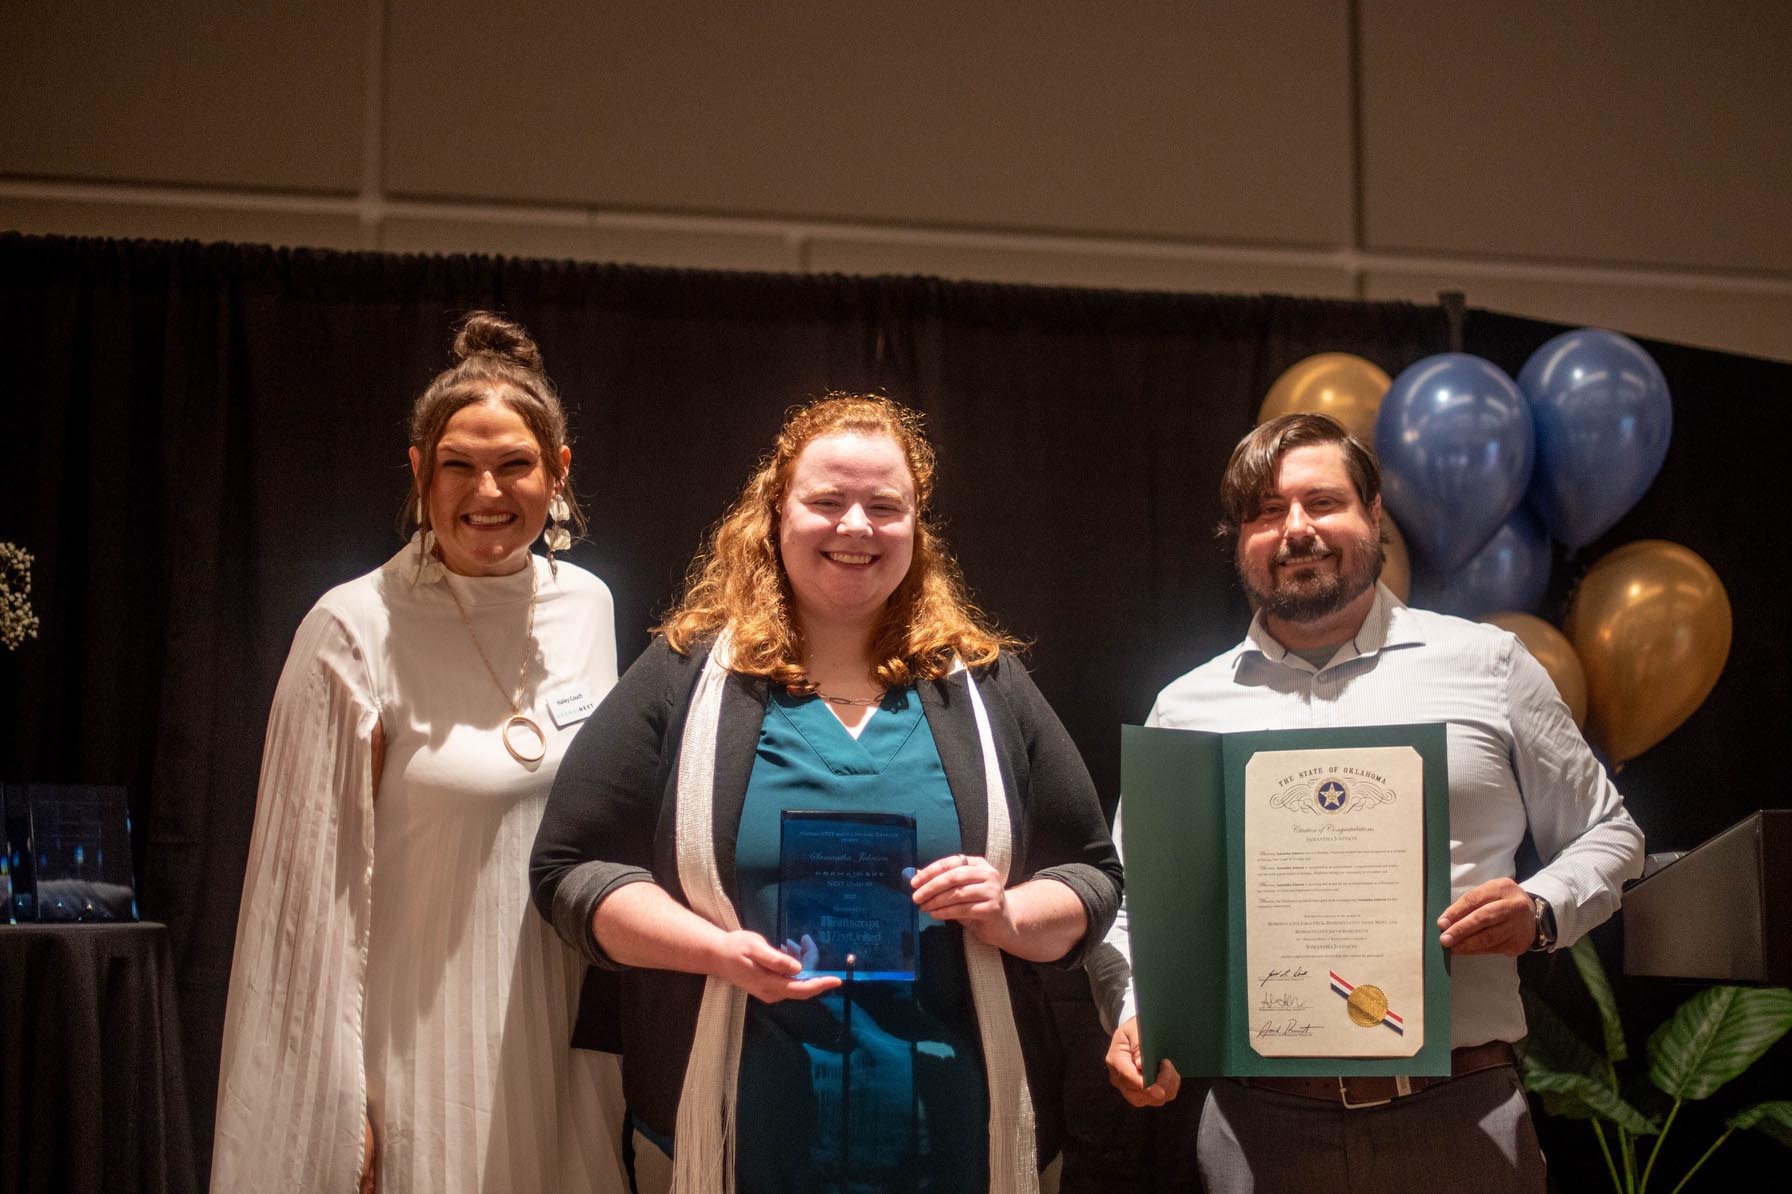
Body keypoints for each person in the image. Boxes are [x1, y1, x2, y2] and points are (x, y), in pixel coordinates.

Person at [530, 393, 1122, 1194]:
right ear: (776, 516)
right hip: (741, 1139)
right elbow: (570, 869)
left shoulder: (984, 687)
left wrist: (1010, 913)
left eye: (885, 506)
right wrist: (714, 952)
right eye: (827, 501)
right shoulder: (689, 675)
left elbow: (1091, 876)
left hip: (955, 1140)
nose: (856, 527)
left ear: (917, 528)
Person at [1101, 412, 1644, 1193]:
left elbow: (1610, 832)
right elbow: (1131, 900)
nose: (1296, 530)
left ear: (1374, 514)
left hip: (1463, 1119)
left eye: (1322, 503)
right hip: (1258, 1132)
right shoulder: (1189, 706)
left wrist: (1542, 907)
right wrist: (1133, 1008)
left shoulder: (1487, 665)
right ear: (1239, 538)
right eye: (1265, 512)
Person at [212, 313, 628, 1193]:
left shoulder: (589, 606)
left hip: (562, 1044)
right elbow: (303, 903)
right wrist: (331, 1100)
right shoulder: (350, 629)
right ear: (417, 470)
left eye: (514, 464)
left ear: (558, 473)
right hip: (420, 1059)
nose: (488, 490)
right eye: (458, 465)